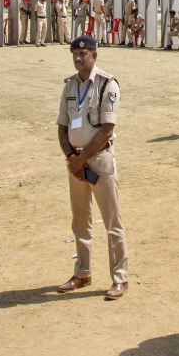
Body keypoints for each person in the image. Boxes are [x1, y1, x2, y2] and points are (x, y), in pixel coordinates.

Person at [56, 35, 128, 300]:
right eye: (74, 53)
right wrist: (70, 156)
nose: (78, 58)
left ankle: (120, 278)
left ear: (94, 55)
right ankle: (82, 272)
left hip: (99, 162)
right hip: (75, 164)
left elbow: (106, 130)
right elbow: (62, 126)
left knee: (113, 222)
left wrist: (82, 158)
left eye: (83, 54)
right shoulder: (69, 86)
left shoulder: (107, 84)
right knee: (80, 221)